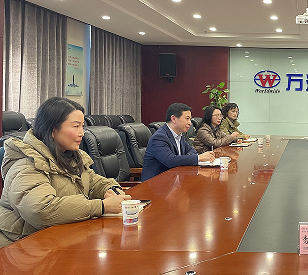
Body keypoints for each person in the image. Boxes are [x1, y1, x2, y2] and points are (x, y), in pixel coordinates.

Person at [0, 97, 132, 248]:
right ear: (53, 130)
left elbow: (92, 181)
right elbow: (41, 210)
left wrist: (111, 189)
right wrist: (100, 206)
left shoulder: (69, 155)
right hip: (21, 246)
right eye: (76, 126)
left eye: (82, 126)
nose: (82, 133)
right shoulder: (26, 164)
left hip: (57, 239)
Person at [142, 103, 215, 181]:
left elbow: (191, 150)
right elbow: (170, 161)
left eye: (190, 119)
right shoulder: (159, 137)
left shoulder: (180, 135)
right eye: (187, 118)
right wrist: (199, 158)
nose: (190, 123)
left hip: (175, 179)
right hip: (157, 183)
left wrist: (185, 158)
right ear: (173, 119)